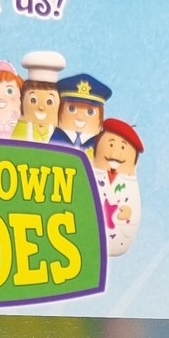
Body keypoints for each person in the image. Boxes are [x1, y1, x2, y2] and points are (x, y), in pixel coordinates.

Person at [89, 118, 143, 256]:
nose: (114, 154)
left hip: (119, 235)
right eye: (111, 145)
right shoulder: (91, 173)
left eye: (123, 147)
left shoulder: (130, 183)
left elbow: (132, 204)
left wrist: (128, 211)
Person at [11, 51, 65, 143]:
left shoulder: (59, 132)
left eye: (49, 102)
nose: (41, 107)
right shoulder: (22, 127)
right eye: (33, 100)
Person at [51, 73, 110, 150]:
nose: (80, 117)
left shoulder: (98, 144)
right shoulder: (56, 138)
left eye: (90, 112)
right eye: (71, 109)